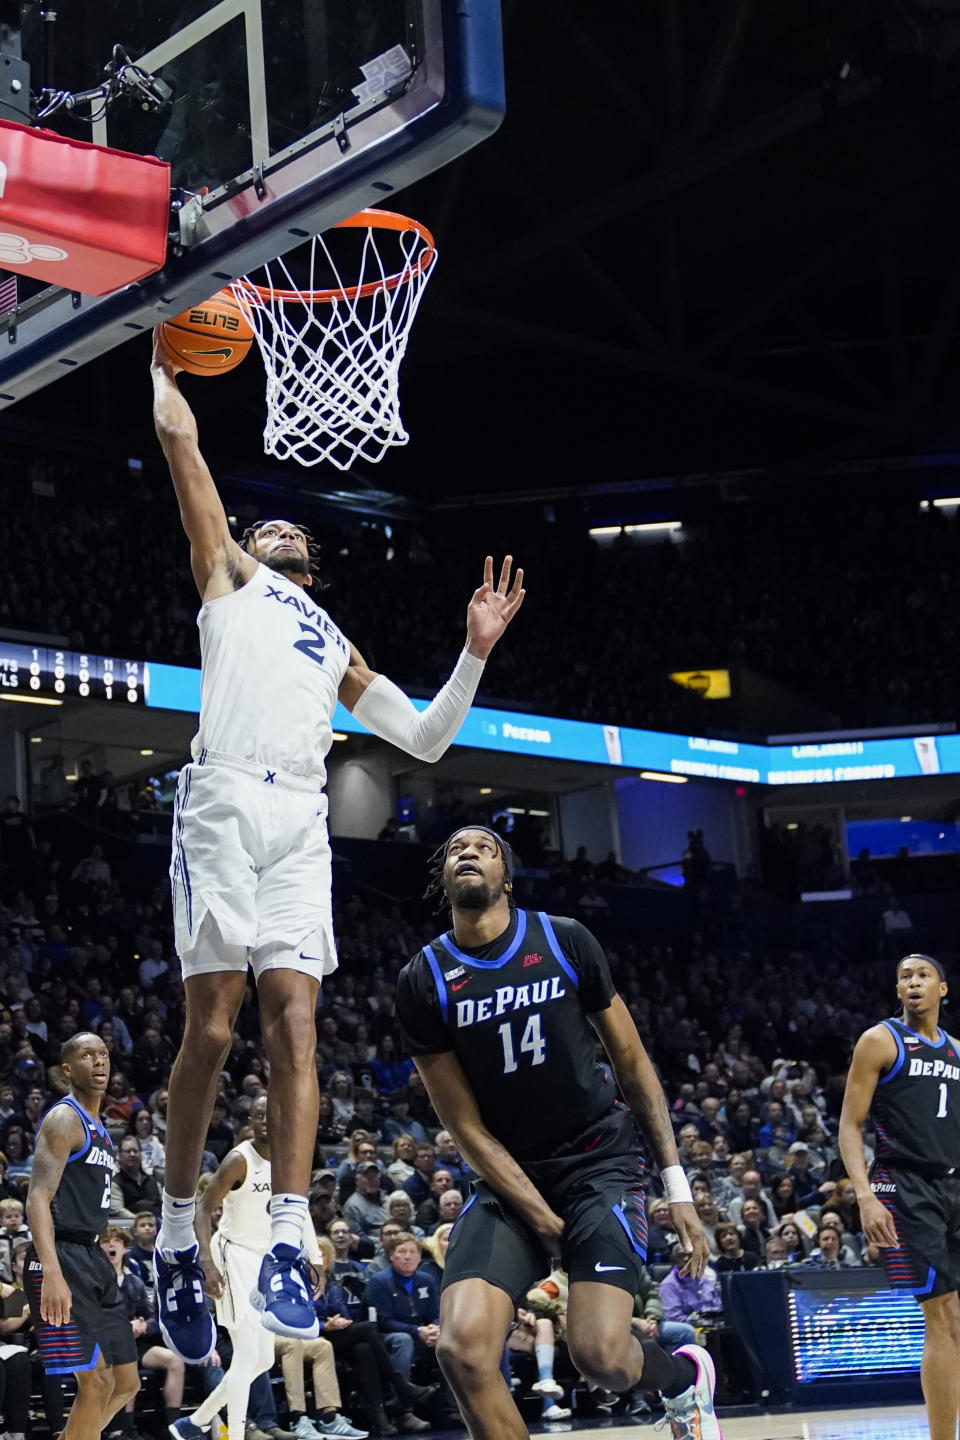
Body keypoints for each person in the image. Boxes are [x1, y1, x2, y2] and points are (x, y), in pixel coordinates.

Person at [151, 338, 526, 1360]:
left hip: (299, 818)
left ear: (312, 567)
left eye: (293, 532)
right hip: (224, 797)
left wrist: (474, 653)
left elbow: (428, 737)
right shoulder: (226, 574)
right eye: (267, 524)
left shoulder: (333, 642)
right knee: (216, 1031)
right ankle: (177, 1236)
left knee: (298, 1028)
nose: (277, 530)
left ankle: (284, 1235)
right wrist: (164, 366)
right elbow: (183, 451)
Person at [395, 826, 716, 1440]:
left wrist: (677, 1187)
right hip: (507, 1179)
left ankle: (680, 1383)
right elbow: (463, 1125)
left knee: (599, 1357)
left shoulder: (564, 939)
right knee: (460, 1351)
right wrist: (542, 1221)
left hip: (598, 1163)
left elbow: (634, 1064)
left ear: (506, 879)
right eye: (457, 848)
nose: (468, 852)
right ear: (443, 880)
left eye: (485, 847)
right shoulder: (424, 978)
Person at [839, 952, 960, 1440]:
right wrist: (865, 1197)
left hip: (954, 1184)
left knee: (956, 1323)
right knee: (943, 1314)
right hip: (903, 1187)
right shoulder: (880, 1040)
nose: (913, 982)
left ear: (942, 989)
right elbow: (850, 1126)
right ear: (897, 991)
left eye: (923, 975)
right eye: (904, 977)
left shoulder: (957, 1050)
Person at [178, 1094, 324, 1440]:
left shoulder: (292, 1157)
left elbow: (298, 1210)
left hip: (267, 1259)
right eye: (257, 1115)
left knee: (264, 1360)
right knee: (246, 1355)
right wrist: (206, 1261)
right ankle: (238, 1434)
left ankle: (196, 1422)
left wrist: (316, 1258)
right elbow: (202, 1209)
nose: (263, 1121)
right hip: (234, 1256)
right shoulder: (239, 1160)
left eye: (269, 1114)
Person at [23, 1032, 140, 1440]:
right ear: (68, 1069)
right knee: (95, 1384)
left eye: (104, 1054)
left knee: (126, 1383)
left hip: (93, 1258)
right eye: (87, 1055)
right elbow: (36, 1199)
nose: (99, 1061)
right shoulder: (64, 1119)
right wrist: (52, 1274)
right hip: (62, 1257)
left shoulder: (101, 1127)